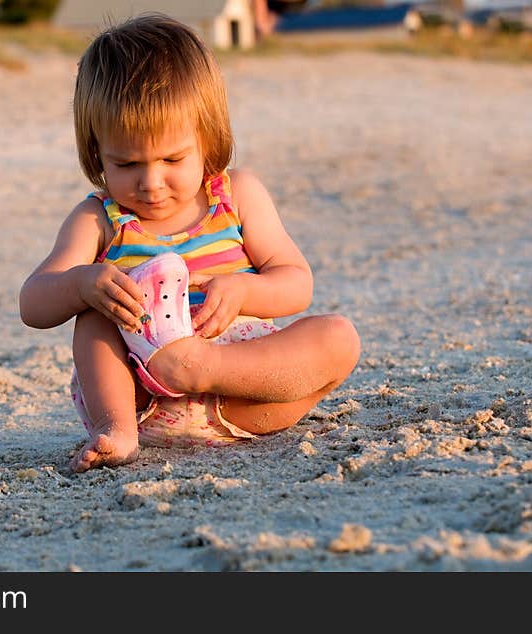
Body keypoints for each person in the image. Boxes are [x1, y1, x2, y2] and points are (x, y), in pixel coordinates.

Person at [19, 13, 360, 473]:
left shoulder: (237, 195)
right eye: (126, 164)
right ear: (97, 152)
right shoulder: (100, 218)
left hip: (241, 391)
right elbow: (33, 303)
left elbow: (296, 283)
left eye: (172, 158)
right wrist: (82, 282)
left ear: (207, 137)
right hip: (138, 406)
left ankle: (196, 365)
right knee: (96, 309)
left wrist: (244, 290)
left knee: (339, 338)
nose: (151, 183)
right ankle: (116, 435)